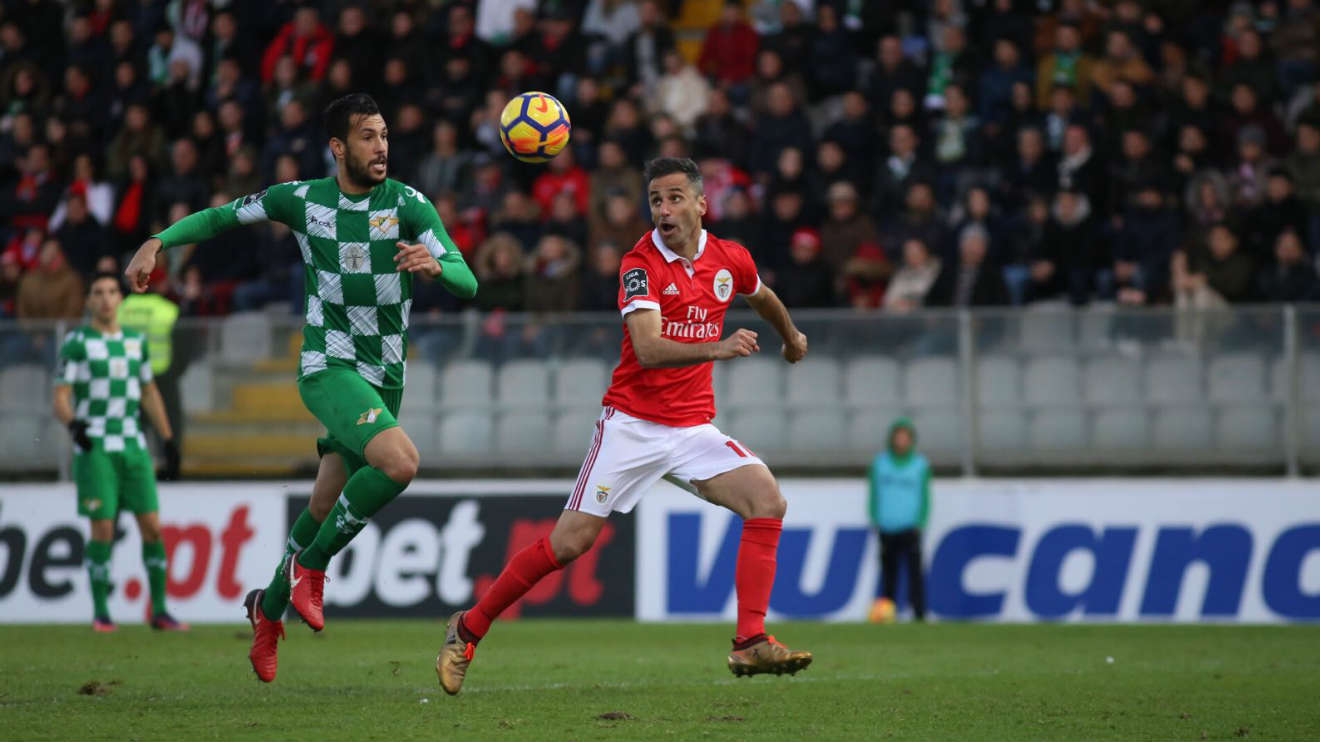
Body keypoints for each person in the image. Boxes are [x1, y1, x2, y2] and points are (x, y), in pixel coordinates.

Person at [122, 93, 478, 682]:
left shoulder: (411, 206)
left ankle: (268, 607)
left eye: (385, 134)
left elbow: (467, 280)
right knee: (400, 462)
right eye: (367, 136)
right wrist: (157, 241)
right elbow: (219, 217)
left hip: (384, 376)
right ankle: (310, 570)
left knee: (320, 506)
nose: (382, 145)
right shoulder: (301, 199)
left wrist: (439, 268)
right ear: (338, 147)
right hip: (327, 366)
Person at [436, 157, 813, 695]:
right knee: (569, 544)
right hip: (631, 426)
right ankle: (467, 628)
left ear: (702, 204)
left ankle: (750, 641)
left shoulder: (731, 258)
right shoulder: (640, 264)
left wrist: (791, 336)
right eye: (656, 199)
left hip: (689, 431)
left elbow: (761, 295)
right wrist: (720, 346)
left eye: (676, 197)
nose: (664, 209)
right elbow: (649, 348)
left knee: (767, 501)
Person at [53, 272, 184, 632]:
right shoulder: (77, 343)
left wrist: (168, 440)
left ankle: (159, 610)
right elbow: (61, 397)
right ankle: (101, 612)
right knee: (103, 529)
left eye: (112, 291)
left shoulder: (134, 343)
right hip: (95, 446)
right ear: (89, 301)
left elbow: (148, 391)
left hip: (133, 444)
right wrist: (74, 426)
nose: (107, 298)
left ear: (121, 300)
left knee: (153, 529)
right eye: (99, 292)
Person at [867, 418, 930, 623]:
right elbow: (874, 493)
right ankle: (888, 613)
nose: (901, 441)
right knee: (888, 573)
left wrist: (921, 521)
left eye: (905, 437)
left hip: (910, 526)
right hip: (886, 526)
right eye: (898, 437)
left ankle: (919, 613)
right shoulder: (880, 463)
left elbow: (925, 495)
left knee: (914, 573)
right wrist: (875, 517)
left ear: (911, 440)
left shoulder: (920, 465)